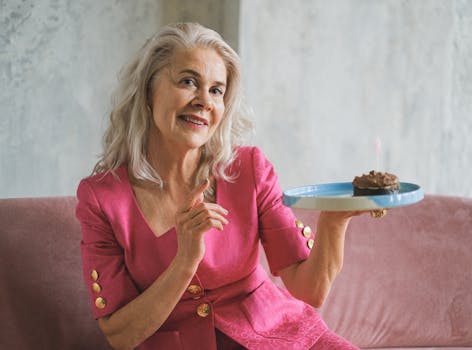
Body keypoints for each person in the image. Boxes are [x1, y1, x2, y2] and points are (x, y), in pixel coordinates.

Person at [76, 22, 382, 350]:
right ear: (149, 93)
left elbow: (310, 290)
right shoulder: (101, 197)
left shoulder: (249, 168)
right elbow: (120, 335)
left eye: (217, 90)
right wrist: (185, 261)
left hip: (281, 338)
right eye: (188, 81)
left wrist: (335, 221)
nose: (204, 101)